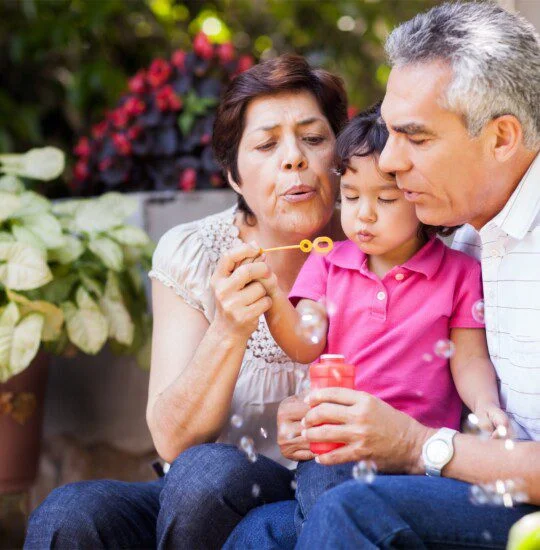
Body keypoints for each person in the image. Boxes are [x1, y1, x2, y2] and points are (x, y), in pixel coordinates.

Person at [226, 3, 540, 548]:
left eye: (415, 138)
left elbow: (463, 375)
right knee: (259, 531)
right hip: (469, 475)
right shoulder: (462, 227)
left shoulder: (458, 253)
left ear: (502, 137)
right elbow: (313, 338)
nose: (389, 162)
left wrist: (417, 443)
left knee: (351, 510)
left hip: (513, 497)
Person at [24, 55, 348, 549]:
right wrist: (228, 330)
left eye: (314, 138)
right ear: (234, 175)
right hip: (194, 501)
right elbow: (172, 441)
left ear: (340, 153)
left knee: (206, 472)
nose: (294, 158)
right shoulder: (195, 250)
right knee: (71, 513)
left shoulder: (376, 246)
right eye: (266, 144)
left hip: (314, 494)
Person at [251, 101, 508, 533]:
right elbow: (305, 341)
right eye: (351, 197)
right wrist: (272, 298)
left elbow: (469, 359)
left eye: (385, 199)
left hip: (417, 455)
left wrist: (485, 405)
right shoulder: (328, 265)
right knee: (324, 488)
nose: (363, 214)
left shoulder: (460, 273)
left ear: (418, 196)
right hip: (338, 444)